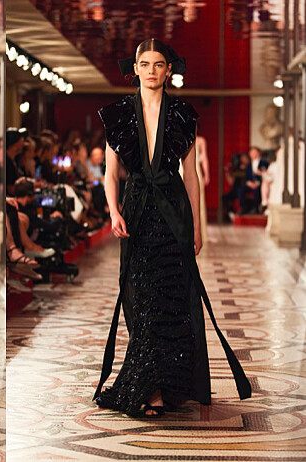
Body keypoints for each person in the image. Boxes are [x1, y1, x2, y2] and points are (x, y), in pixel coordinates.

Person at [94, 39, 250, 417]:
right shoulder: (118, 114)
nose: (151, 70)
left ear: (168, 70)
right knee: (141, 297)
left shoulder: (183, 113)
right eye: (145, 64)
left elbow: (191, 175)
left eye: (158, 64)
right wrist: (113, 211)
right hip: (136, 212)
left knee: (172, 297)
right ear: (135, 69)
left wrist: (195, 226)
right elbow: (110, 173)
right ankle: (149, 383)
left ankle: (163, 386)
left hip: (173, 211)